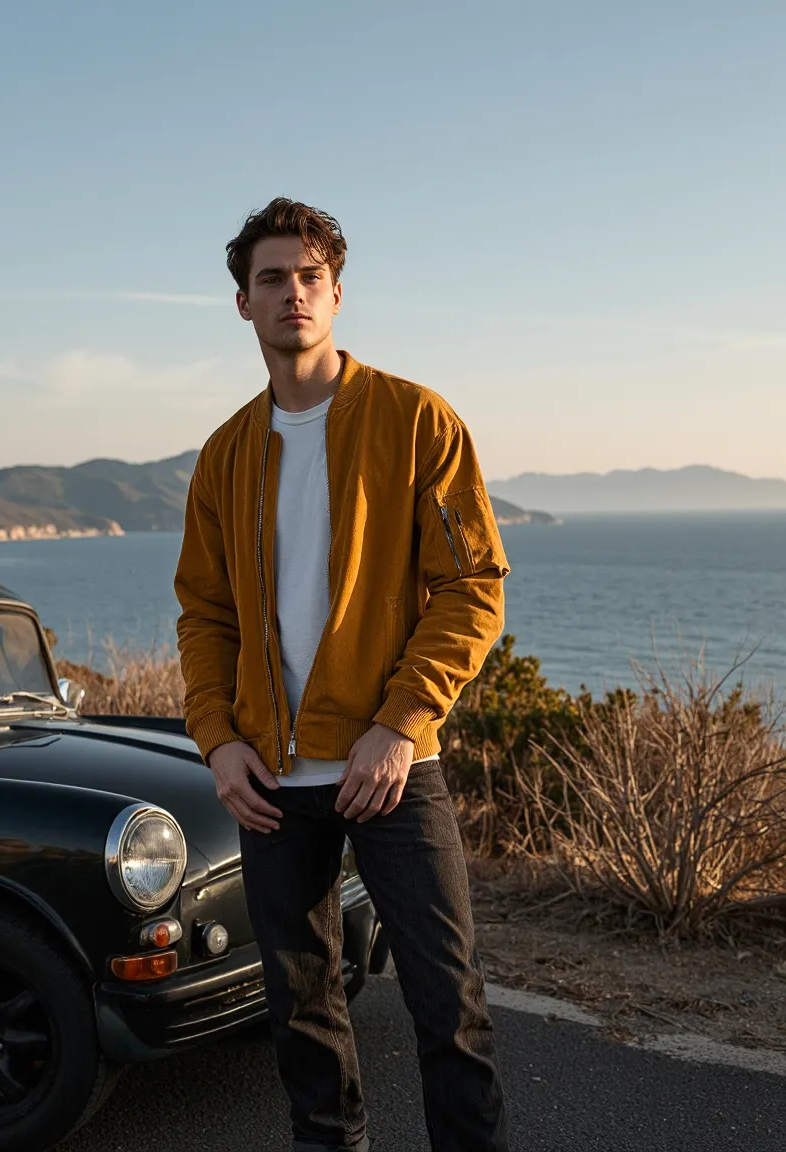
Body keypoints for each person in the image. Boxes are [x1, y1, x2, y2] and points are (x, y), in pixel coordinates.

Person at [174, 198, 511, 1151]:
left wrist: (400, 722)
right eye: (272, 278)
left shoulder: (415, 421)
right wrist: (219, 739)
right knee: (304, 1020)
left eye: (309, 277)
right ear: (243, 303)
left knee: (451, 1012)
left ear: (336, 293)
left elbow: (473, 585)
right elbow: (204, 612)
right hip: (273, 785)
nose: (293, 294)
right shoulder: (225, 454)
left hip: (395, 769)